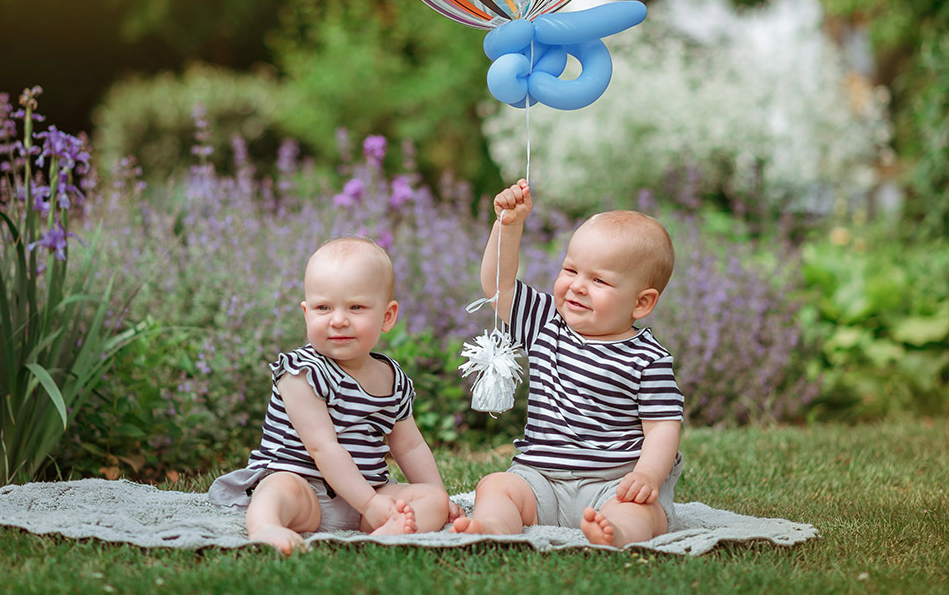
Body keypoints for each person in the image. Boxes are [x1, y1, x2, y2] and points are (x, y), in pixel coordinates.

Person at [452, 179, 684, 548]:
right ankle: (492, 526)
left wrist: (647, 477)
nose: (576, 286)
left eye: (599, 280)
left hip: (612, 482)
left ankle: (616, 532)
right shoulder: (545, 323)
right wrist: (507, 227)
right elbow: (499, 287)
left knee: (641, 510)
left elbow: (662, 428)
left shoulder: (648, 357)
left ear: (641, 303)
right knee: (496, 486)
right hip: (539, 478)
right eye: (571, 270)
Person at [209, 237, 459, 554]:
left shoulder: (392, 378)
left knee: (431, 499)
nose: (338, 319)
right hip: (306, 489)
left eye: (356, 307)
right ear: (306, 313)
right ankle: (266, 526)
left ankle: (384, 533)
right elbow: (322, 447)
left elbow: (410, 446)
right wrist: (370, 503)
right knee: (277, 489)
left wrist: (437, 496)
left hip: (367, 495)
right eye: (323, 307)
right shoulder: (301, 372)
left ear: (387, 316)